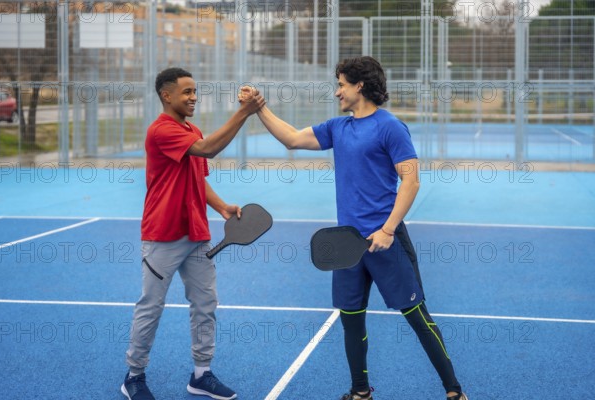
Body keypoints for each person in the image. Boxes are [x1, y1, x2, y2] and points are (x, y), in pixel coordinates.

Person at [249, 56, 468, 400]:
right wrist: (259, 108)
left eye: (341, 84)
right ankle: (360, 392)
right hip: (346, 246)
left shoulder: (390, 126)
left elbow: (410, 181)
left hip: (385, 241)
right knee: (351, 321)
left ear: (359, 85)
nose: (337, 92)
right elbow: (291, 138)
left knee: (417, 317)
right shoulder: (339, 127)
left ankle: (454, 391)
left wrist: (388, 229)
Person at [121, 67, 265, 400]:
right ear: (166, 95)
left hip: (197, 234)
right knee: (151, 306)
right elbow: (208, 149)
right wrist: (244, 112)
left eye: (195, 91)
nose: (193, 97)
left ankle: (201, 374)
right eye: (186, 92)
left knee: (205, 304)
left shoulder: (191, 129)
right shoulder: (161, 131)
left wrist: (221, 207)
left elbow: (197, 177)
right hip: (162, 236)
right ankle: (134, 375)